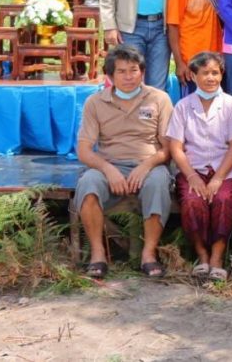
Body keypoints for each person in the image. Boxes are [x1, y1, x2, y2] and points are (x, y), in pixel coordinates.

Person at [74, 45, 173, 279]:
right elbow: (84, 150)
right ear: (110, 76)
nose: (129, 77)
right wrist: (108, 169)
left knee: (158, 184)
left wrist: (146, 166)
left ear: (142, 72)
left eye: (134, 70)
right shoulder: (95, 102)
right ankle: (98, 254)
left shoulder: (159, 99)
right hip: (110, 165)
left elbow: (168, 148)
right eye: (121, 72)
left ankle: (149, 255)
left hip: (149, 164)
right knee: (88, 185)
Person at [166, 52, 232, 282]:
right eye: (205, 73)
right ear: (193, 75)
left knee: (224, 199)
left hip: (225, 169)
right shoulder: (183, 106)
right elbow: (176, 148)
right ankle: (202, 256)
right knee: (192, 201)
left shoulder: (231, 104)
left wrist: (219, 178)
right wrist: (191, 176)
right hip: (193, 169)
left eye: (215, 73)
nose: (211, 78)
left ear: (222, 74)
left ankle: (218, 257)